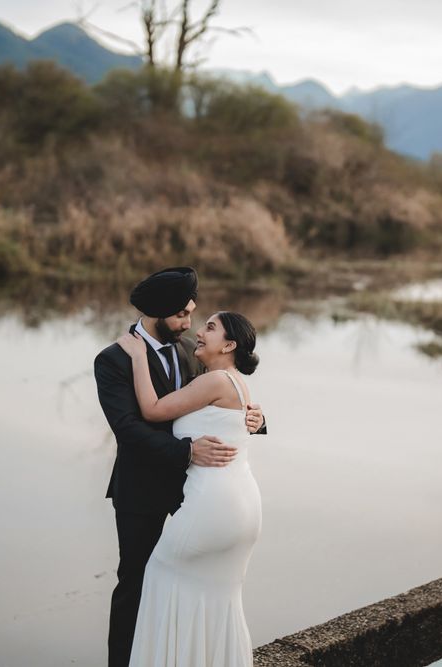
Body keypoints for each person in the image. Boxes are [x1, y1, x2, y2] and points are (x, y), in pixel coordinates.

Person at [94, 267, 265, 667]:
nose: (189, 324)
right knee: (136, 583)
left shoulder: (192, 350)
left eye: (193, 316)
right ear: (157, 312)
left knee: (190, 583)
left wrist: (256, 417)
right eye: (182, 316)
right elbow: (128, 429)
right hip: (142, 489)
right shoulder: (114, 359)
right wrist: (187, 453)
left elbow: (218, 402)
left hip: (198, 493)